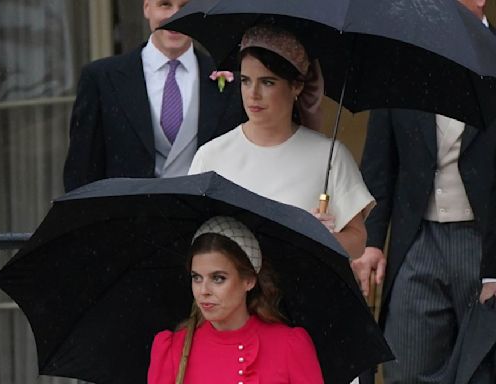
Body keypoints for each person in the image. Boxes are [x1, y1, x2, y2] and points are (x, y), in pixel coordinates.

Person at [357, 2, 496, 382]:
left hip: (484, 244)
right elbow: (380, 163)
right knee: (404, 368)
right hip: (418, 240)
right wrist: (372, 241)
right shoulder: (402, 61)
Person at [189, 25, 374, 260]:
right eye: (246, 81)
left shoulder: (329, 156)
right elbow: (192, 236)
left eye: (267, 82)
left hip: (302, 289)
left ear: (296, 85)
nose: (253, 93)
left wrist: (320, 237)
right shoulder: (211, 155)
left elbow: (357, 241)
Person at [63, 0, 245, 192]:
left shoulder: (234, 81)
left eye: (185, 7)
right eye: (165, 5)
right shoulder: (101, 78)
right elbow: (81, 171)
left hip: (205, 217)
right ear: (146, 7)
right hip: (127, 217)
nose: (176, 15)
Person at [147, 216, 324, 383]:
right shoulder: (173, 349)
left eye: (218, 278)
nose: (203, 291)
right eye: (196, 277)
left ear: (249, 280)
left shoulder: (288, 346)